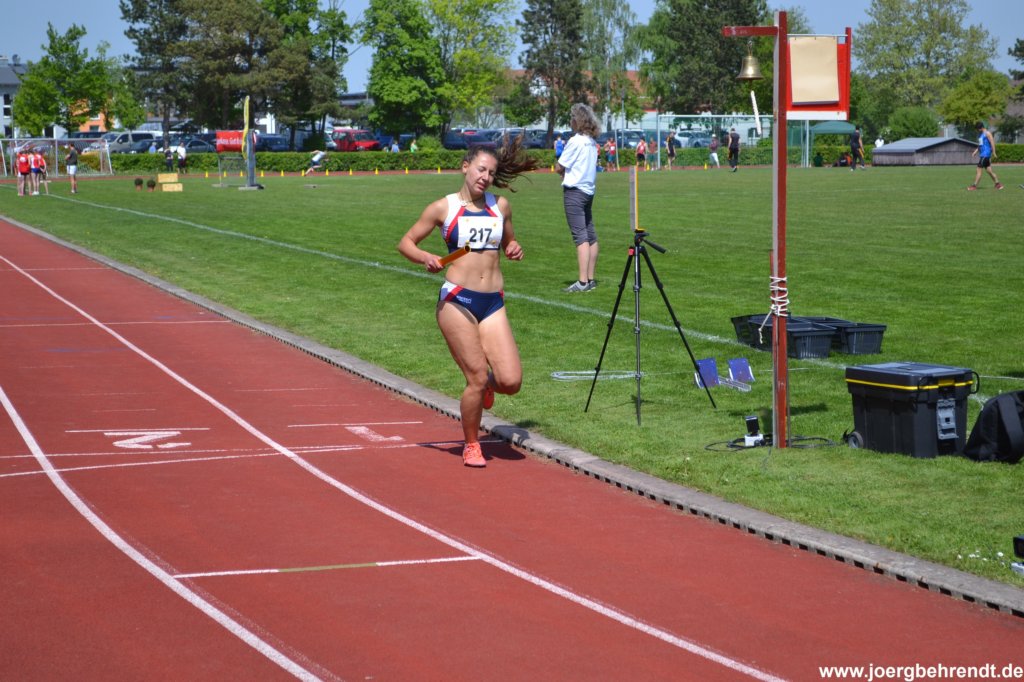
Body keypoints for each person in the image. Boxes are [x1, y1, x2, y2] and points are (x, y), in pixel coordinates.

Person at [397, 138, 538, 468]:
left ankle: (487, 386)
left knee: (510, 382)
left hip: (493, 302)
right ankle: (472, 444)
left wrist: (514, 247)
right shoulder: (443, 208)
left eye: (491, 173)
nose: (486, 177)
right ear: (465, 167)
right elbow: (406, 242)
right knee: (475, 376)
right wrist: (426, 257)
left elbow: (510, 241)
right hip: (457, 300)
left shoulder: (500, 206)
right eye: (481, 170)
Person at [557, 102, 601, 293]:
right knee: (590, 235)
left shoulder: (575, 141)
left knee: (580, 236)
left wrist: (562, 171)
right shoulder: (591, 141)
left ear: (577, 120)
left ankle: (582, 282)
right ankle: (590, 279)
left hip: (575, 192)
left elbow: (560, 166)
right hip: (588, 191)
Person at [968, 121, 1003, 191]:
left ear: (980, 128)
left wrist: (994, 152)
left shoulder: (987, 133)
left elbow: (992, 142)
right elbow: (980, 145)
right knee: (989, 171)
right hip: (983, 154)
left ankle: (974, 186)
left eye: (977, 129)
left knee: (978, 169)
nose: (977, 130)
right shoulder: (981, 135)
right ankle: (998, 184)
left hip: (985, 154)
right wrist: (975, 152)